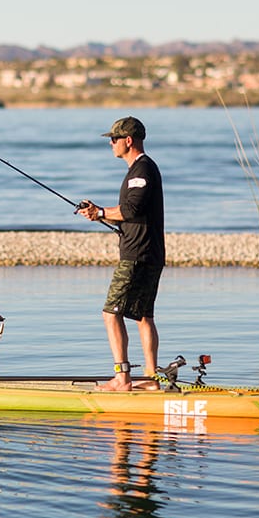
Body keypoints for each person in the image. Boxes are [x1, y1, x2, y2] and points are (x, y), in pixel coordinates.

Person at [78, 116, 165, 391]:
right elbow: (132, 213)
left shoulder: (141, 171)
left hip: (137, 255)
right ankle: (151, 379)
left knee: (110, 313)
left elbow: (132, 210)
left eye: (114, 139)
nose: (111, 144)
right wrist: (99, 213)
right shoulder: (141, 170)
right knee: (142, 316)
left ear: (128, 141)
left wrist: (102, 212)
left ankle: (122, 378)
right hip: (149, 252)